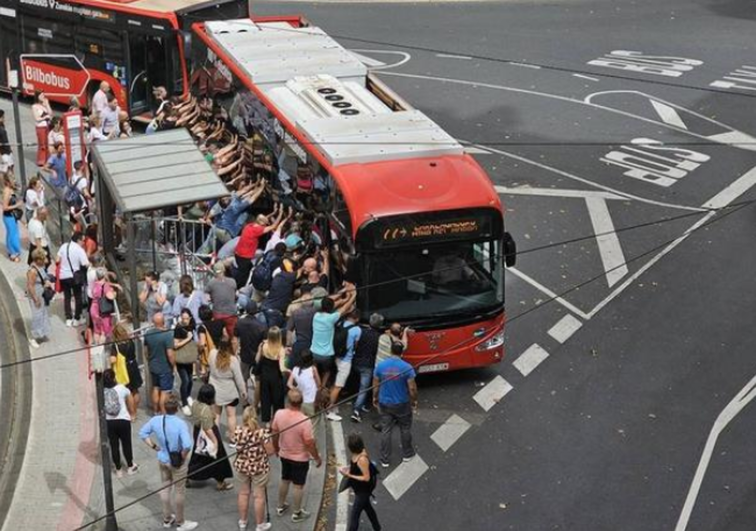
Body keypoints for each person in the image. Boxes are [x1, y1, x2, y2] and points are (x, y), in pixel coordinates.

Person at [139, 393, 198, 531]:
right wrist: (182, 457)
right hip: (177, 462)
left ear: (164, 407)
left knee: (165, 488)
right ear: (177, 408)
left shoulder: (156, 420)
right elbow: (187, 445)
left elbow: (142, 433)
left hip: (163, 458)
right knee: (179, 491)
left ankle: (167, 518)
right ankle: (180, 522)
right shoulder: (180, 424)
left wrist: (154, 446)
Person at [272, 389, 322, 523]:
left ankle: (280, 506)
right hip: (300, 458)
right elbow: (310, 443)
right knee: (298, 485)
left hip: (284, 454)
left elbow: (274, 433)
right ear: (301, 403)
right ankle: (297, 513)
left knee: (285, 479)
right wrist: (317, 457)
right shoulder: (305, 421)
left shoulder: (279, 414)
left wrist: (276, 448)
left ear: (288, 401)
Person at [373, 342, 418, 467]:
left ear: (390, 350)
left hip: (385, 403)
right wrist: (414, 401)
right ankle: (407, 454)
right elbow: (412, 388)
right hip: (402, 404)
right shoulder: (407, 367)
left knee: (386, 430)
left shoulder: (380, 366)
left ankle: (385, 459)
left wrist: (375, 397)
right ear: (401, 352)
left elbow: (376, 386)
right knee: (405, 428)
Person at [187, 384, 234, 491]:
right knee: (219, 458)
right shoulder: (206, 411)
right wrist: (215, 441)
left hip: (197, 432)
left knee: (198, 455)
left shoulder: (195, 403)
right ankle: (220, 482)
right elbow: (208, 428)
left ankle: (189, 475)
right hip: (209, 433)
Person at [235, 406, 274, 531]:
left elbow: (237, 447)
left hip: (242, 466)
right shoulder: (262, 433)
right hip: (259, 468)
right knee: (258, 496)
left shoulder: (238, 431)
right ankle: (259, 525)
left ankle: (242, 521)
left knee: (243, 493)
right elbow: (270, 451)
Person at [310, 294, 356, 389]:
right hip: (326, 355)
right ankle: (322, 387)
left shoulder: (316, 315)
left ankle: (315, 385)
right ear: (332, 308)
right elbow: (345, 308)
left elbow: (329, 303)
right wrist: (353, 295)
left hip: (314, 352)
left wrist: (343, 295)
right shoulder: (332, 318)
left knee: (314, 369)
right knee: (327, 371)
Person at [339, 433, 381, 531]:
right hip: (359, 488)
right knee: (368, 508)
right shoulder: (358, 454)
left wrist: (349, 475)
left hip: (363, 490)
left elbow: (366, 478)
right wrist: (347, 468)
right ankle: (377, 527)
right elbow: (356, 467)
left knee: (355, 515)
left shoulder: (362, 459)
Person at [208, 339, 246, 443]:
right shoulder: (233, 360)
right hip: (229, 391)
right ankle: (232, 438)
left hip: (215, 390)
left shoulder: (212, 354)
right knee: (231, 416)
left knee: (216, 415)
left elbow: (209, 367)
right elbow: (239, 378)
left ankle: (214, 438)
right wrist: (243, 391)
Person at [326, 309, 361, 422]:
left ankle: (329, 403)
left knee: (335, 382)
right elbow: (356, 345)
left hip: (335, 355)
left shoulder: (340, 323)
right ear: (357, 319)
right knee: (339, 385)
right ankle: (329, 410)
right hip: (346, 360)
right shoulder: (357, 329)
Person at [104, 369, 138, 478]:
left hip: (109, 422)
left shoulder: (102, 391)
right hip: (123, 420)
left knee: (114, 445)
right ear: (114, 378)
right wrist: (132, 414)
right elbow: (130, 400)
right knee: (126, 443)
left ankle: (118, 469)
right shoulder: (122, 388)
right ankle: (130, 466)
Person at [234, 211, 281, 289]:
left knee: (247, 268)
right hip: (244, 257)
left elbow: (262, 220)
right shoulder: (257, 230)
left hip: (238, 253)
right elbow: (274, 226)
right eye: (265, 223)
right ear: (262, 223)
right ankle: (238, 288)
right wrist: (280, 212)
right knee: (242, 276)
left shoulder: (250, 225)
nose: (266, 224)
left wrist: (273, 212)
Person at [351, 314, 383, 423]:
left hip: (356, 362)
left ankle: (360, 403)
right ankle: (356, 411)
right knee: (363, 389)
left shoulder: (362, 332)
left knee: (358, 384)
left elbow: (355, 344)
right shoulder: (379, 337)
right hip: (368, 366)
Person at [144, 312, 176, 414]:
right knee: (165, 391)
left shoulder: (148, 333)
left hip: (153, 366)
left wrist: (149, 360)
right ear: (163, 321)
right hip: (165, 367)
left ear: (153, 322)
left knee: (155, 388)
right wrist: (174, 365)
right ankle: (163, 412)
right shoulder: (168, 335)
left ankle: (155, 411)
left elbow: (145, 350)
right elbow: (170, 354)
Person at [56, 231, 90, 326]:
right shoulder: (79, 250)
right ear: (78, 240)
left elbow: (57, 259)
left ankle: (68, 318)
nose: (83, 243)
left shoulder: (64, 246)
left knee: (67, 297)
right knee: (77, 296)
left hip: (63, 276)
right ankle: (77, 318)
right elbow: (86, 264)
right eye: (83, 240)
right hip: (75, 276)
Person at [256, 326, 287, 425]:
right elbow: (282, 368)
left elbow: (257, 360)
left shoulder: (264, 345)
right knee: (277, 399)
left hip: (264, 375)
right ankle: (277, 420)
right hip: (275, 376)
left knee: (265, 398)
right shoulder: (281, 349)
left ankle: (266, 421)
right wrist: (288, 371)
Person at [111, 323, 143, 417]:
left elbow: (113, 360)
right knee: (135, 390)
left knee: (128, 392)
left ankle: (132, 414)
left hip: (124, 370)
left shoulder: (116, 346)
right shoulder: (130, 341)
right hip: (134, 366)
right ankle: (135, 411)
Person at [26, 248, 53, 348]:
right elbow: (30, 286)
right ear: (38, 260)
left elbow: (46, 263)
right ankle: (33, 338)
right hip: (36, 295)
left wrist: (46, 282)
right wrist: (35, 299)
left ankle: (42, 332)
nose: (45, 260)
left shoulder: (40, 265)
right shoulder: (32, 271)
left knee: (43, 313)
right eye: (42, 259)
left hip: (41, 293)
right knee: (37, 315)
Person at [235, 300, 267, 382]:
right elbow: (264, 343)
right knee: (257, 380)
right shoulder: (261, 326)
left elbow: (236, 337)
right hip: (257, 356)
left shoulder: (239, 322)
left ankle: (244, 394)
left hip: (244, 355)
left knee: (243, 379)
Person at [260, 258, 297, 329]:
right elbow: (298, 272)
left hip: (265, 307)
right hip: (274, 313)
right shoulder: (288, 277)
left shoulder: (278, 275)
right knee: (273, 334)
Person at [205, 261, 238, 340]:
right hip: (231, 314)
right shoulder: (233, 281)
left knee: (220, 337)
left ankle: (222, 351)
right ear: (224, 270)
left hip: (217, 314)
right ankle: (233, 351)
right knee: (233, 337)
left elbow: (206, 297)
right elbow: (236, 295)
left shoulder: (211, 283)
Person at [174, 309, 198, 416]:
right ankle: (184, 404)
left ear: (190, 318)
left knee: (190, 380)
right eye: (183, 318)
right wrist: (188, 339)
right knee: (185, 381)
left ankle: (188, 396)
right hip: (181, 358)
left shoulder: (192, 325)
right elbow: (175, 345)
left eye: (187, 318)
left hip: (190, 357)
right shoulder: (178, 328)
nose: (185, 321)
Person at [288, 349, 320, 420]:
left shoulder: (295, 369)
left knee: (301, 420)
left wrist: (296, 390)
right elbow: (319, 384)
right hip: (311, 399)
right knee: (313, 421)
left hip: (301, 400)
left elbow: (289, 384)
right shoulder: (313, 369)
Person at [90, 266, 118, 343]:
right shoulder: (105, 286)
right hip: (102, 310)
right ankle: (101, 348)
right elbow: (111, 297)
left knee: (96, 329)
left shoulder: (94, 283)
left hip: (94, 307)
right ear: (104, 275)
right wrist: (114, 293)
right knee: (103, 331)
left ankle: (96, 348)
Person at [197, 304, 224, 380]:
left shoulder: (202, 328)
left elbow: (202, 344)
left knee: (211, 377)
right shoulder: (220, 322)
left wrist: (199, 352)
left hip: (210, 355)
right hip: (221, 352)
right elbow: (225, 336)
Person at [2, 173, 22, 262]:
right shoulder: (7, 191)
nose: (14, 180)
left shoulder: (11, 189)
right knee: (12, 234)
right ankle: (12, 253)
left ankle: (14, 250)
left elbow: (19, 188)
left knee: (14, 233)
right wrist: (17, 205)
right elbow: (5, 207)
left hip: (13, 216)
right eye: (12, 179)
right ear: (7, 182)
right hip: (8, 216)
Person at [32, 91, 52, 166]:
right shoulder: (34, 106)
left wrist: (47, 105)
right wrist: (45, 117)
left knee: (48, 142)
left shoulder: (45, 104)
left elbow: (50, 113)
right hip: (40, 127)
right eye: (41, 95)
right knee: (42, 144)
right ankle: (41, 160)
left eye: (44, 95)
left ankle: (48, 159)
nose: (43, 96)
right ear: (37, 96)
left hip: (47, 125)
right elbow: (36, 118)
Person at [0, 110, 13, 175]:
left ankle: (13, 180)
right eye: (3, 117)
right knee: (5, 169)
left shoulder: (2, 125)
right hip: (3, 152)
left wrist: (10, 148)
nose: (4, 118)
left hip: (7, 149)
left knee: (11, 166)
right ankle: (8, 183)